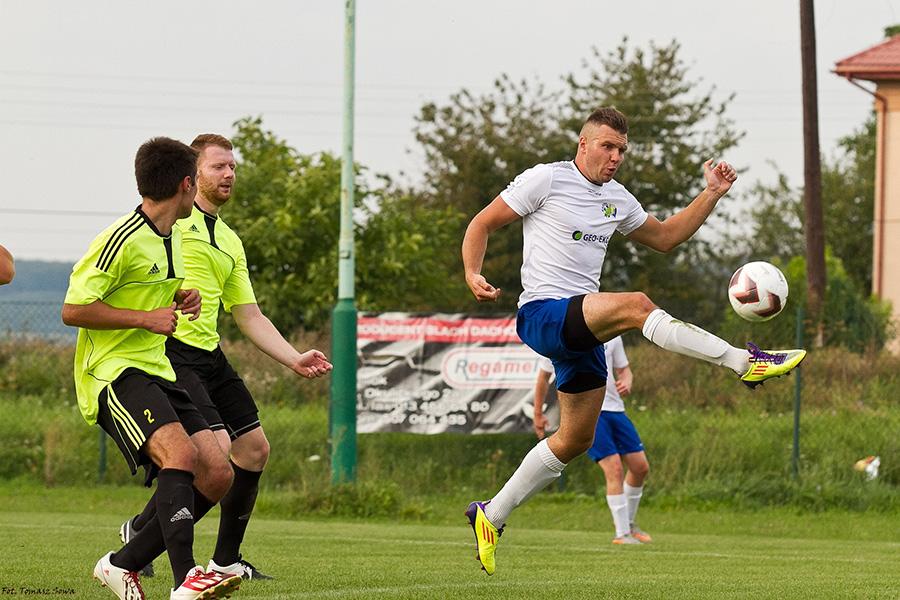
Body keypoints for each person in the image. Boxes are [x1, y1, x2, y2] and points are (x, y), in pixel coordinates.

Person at [461, 107, 807, 575]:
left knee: (576, 439)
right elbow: (481, 224)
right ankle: (743, 361)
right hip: (542, 313)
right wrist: (472, 272)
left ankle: (491, 515)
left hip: (581, 331)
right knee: (637, 304)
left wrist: (711, 195)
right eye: (607, 145)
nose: (616, 155)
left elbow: (665, 238)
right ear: (583, 144)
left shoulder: (618, 199)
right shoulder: (545, 179)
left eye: (622, 149)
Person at [120, 133, 333, 582]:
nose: (229, 173)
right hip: (171, 353)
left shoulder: (230, 240)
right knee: (210, 460)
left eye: (233, 166)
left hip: (210, 355)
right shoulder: (171, 223)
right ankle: (139, 540)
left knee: (253, 450)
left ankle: (224, 560)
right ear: (191, 175)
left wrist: (293, 358)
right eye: (218, 166)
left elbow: (249, 315)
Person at [62, 137, 242, 599]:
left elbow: (150, 289)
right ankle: (186, 580)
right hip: (113, 372)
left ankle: (122, 565)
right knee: (180, 456)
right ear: (186, 184)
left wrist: (181, 298)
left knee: (217, 474)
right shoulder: (120, 239)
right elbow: (74, 309)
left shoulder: (171, 238)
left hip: (157, 368)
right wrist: (145, 318)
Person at [533, 337, 649, 545]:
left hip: (616, 410)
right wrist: (537, 413)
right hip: (588, 412)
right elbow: (543, 378)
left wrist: (627, 381)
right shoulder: (563, 330)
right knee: (614, 469)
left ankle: (629, 525)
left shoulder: (613, 331)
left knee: (640, 467)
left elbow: (624, 370)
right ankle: (622, 534)